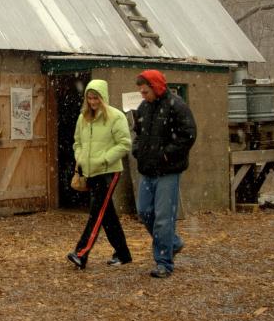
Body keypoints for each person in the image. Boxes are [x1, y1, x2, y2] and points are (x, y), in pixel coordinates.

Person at [131, 70, 196, 278]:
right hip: (147, 170)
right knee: (144, 212)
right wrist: (137, 150)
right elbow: (138, 134)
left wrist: (167, 155)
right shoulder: (143, 108)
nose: (143, 94)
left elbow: (189, 134)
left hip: (168, 171)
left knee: (163, 218)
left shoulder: (177, 106)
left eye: (145, 90)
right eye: (141, 91)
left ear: (156, 87)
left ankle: (164, 263)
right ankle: (173, 243)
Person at [67, 79, 133, 270]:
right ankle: (123, 254)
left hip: (108, 171)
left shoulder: (116, 117)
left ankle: (81, 253)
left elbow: (124, 144)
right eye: (89, 98)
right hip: (89, 171)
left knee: (97, 213)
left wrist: (104, 159)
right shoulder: (83, 118)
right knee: (107, 214)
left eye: (96, 98)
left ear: (103, 98)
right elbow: (77, 142)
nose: (93, 102)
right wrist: (79, 157)